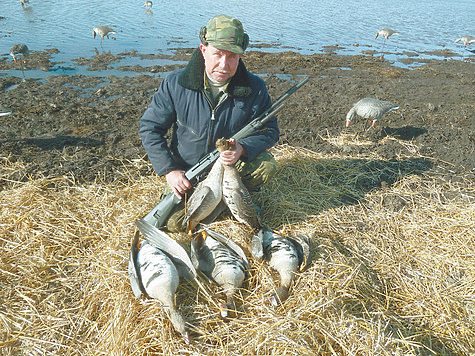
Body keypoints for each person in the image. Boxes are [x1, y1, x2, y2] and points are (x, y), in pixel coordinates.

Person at [139, 14, 279, 232]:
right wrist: (170, 171)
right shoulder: (175, 83)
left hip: (229, 168)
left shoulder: (255, 87)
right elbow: (150, 129)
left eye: (232, 56)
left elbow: (270, 131)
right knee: (176, 225)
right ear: (203, 50)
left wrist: (242, 148)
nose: (224, 64)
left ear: (241, 56)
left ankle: (230, 196)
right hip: (189, 171)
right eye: (218, 54)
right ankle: (224, 204)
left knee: (266, 166)